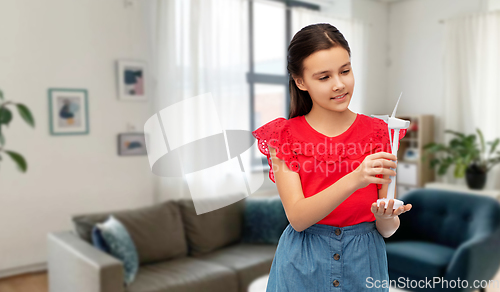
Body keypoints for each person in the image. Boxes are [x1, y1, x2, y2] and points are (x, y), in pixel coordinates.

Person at [251, 23, 412, 292]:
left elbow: (386, 229)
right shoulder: (283, 136)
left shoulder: (379, 133)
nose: (339, 84)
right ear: (301, 81)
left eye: (345, 71)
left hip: (364, 263)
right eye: (324, 77)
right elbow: (299, 218)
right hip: (302, 264)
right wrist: (356, 178)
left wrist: (387, 215)